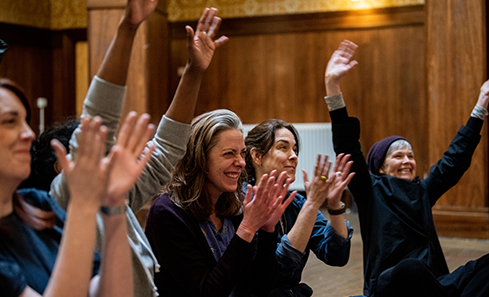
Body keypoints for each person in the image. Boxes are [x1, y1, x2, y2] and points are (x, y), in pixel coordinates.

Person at [49, 3, 229, 296]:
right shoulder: (62, 200)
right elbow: (98, 118)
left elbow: (167, 149)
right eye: (97, 155)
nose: (108, 160)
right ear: (62, 167)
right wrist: (127, 29)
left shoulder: (116, 197)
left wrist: (194, 71)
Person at [324, 39, 489, 297]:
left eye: (410, 156)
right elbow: (347, 146)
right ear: (381, 166)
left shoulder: (422, 191)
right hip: (390, 285)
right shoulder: (371, 190)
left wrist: (481, 106)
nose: (407, 161)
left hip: (435, 283)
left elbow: (454, 160)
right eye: (398, 156)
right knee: (410, 269)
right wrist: (332, 86)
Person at [0, 77, 154, 296]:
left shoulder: (40, 206)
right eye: (10, 122)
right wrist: (83, 203)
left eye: (26, 121)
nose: (29, 134)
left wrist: (115, 204)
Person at [145, 109, 297, 296]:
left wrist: (267, 231)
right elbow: (207, 292)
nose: (241, 162)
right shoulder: (166, 213)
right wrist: (247, 229)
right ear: (200, 158)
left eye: (241, 153)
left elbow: (259, 287)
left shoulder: (234, 206)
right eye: (229, 154)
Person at [244, 119, 354, 296]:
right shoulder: (242, 205)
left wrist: (334, 206)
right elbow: (274, 273)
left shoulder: (298, 204)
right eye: (283, 147)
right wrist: (311, 205)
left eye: (295, 149)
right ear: (257, 156)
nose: (294, 156)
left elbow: (336, 255)